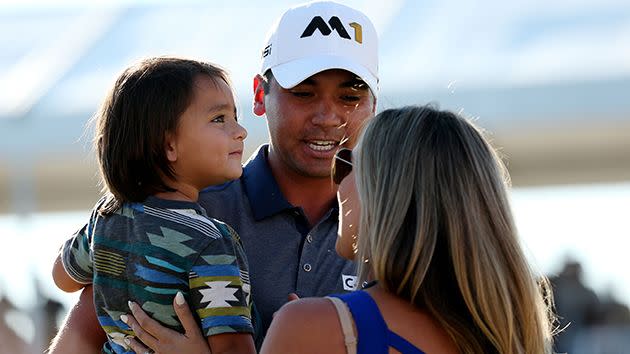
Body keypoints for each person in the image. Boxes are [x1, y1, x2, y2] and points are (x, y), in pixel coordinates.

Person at [47, 1, 379, 352]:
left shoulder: (402, 227)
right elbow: (81, 336)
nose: (327, 116)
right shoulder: (175, 204)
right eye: (303, 92)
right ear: (259, 94)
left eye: (350, 96)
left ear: (375, 105)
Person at [260, 105, 556, 353]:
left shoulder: (316, 328)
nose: (337, 182)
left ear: (385, 192)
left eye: (347, 164)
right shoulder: (511, 339)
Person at [50, 57, 255, 354]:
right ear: (168, 145)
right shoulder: (211, 241)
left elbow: (63, 278)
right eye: (219, 119)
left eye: (235, 117)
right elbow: (235, 348)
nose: (240, 131)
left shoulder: (106, 217)